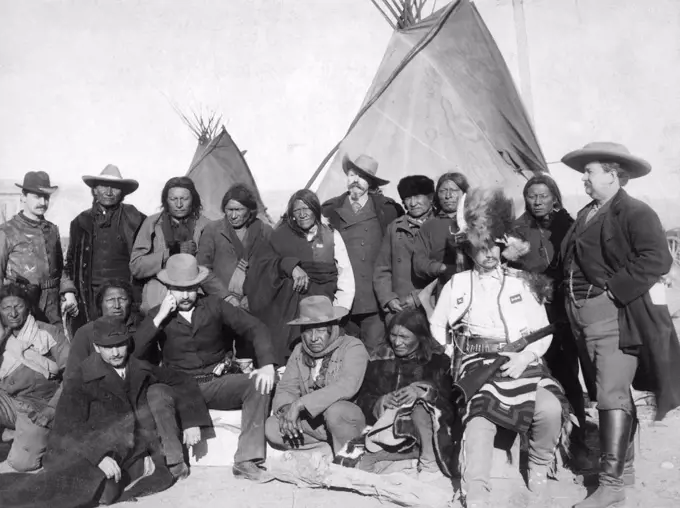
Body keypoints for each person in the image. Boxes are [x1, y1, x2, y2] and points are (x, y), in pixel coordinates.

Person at [430, 188, 570, 507]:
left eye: (493, 246)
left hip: (522, 360)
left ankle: (537, 466)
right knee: (479, 421)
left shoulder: (523, 282)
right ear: (470, 249)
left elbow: (541, 331)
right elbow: (438, 326)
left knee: (549, 409)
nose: (488, 254)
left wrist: (526, 357)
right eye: (481, 248)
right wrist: (453, 354)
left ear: (501, 245)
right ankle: (475, 490)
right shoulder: (458, 285)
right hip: (477, 363)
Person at [560, 142, 680, 508]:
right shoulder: (586, 213)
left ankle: (611, 486)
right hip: (582, 319)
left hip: (615, 317)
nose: (584, 177)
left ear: (613, 176)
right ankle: (623, 470)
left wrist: (613, 292)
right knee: (610, 393)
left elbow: (657, 258)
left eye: (591, 171)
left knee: (611, 393)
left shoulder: (635, 212)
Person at [0, 316, 211, 508]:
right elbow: (67, 427)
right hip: (84, 445)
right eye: (108, 347)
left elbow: (184, 380)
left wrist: (192, 421)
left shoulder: (140, 368)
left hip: (127, 445)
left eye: (120, 345)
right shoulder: (81, 377)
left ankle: (137, 466)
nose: (116, 353)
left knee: (108, 491)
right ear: (96, 347)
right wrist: (98, 456)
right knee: (65, 493)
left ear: (128, 344)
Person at [134, 253, 277, 482]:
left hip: (216, 381)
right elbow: (136, 352)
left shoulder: (214, 305)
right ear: (169, 287)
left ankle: (246, 460)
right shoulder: (157, 314)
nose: (186, 295)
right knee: (156, 392)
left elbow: (255, 327)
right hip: (179, 387)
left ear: (199, 285)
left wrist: (267, 365)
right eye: (179, 289)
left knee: (258, 384)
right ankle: (175, 462)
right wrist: (160, 317)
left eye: (191, 288)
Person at [511, 174, 589, 468]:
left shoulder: (568, 226)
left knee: (568, 373)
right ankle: (536, 445)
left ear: (555, 197)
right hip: (531, 312)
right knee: (533, 373)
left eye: (544, 195)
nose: (538, 201)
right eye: (532, 196)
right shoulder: (517, 230)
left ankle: (577, 442)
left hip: (562, 312)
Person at [247, 189, 354, 365]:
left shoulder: (331, 235)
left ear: (316, 210)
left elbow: (345, 275)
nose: (303, 214)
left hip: (323, 311)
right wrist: (289, 266)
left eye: (307, 208)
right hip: (287, 314)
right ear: (292, 214)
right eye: (297, 210)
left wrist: (339, 311)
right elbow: (262, 265)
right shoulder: (280, 236)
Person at [353, 309, 455, 481]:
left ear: (420, 336)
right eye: (393, 335)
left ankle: (428, 462)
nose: (397, 342)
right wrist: (380, 401)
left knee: (421, 407)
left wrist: (422, 391)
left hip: (426, 434)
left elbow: (450, 402)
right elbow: (362, 397)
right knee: (354, 466)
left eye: (405, 337)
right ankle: (404, 455)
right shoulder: (379, 359)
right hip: (387, 432)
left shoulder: (438, 361)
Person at [265, 296, 369, 456]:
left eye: (320, 330)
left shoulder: (352, 346)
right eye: (308, 330)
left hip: (345, 420)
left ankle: (348, 457)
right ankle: (326, 450)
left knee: (336, 411)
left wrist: (300, 405)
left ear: (331, 328)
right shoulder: (299, 350)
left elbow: (346, 385)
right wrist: (287, 410)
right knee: (272, 427)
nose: (313, 338)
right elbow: (286, 387)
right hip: (315, 424)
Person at [321, 154, 403, 355]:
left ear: (371, 183)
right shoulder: (330, 209)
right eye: (352, 175)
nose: (356, 180)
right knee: (342, 354)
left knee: (373, 354)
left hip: (373, 299)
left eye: (362, 176)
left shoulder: (387, 210)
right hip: (341, 297)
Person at [63, 165, 146, 330]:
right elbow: (70, 263)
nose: (109, 191)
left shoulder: (136, 220)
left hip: (125, 297)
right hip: (90, 297)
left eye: (115, 187)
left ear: (122, 192)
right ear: (94, 190)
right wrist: (69, 291)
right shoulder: (80, 222)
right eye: (103, 186)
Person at [0, 283, 69, 473]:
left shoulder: (47, 332)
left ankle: (22, 434)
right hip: (8, 402)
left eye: (18, 307)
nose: (13, 313)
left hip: (38, 406)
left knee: (23, 464)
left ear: (28, 308)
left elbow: (72, 372)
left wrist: (51, 409)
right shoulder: (2, 336)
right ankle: (13, 432)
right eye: (6, 308)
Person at [129, 176, 223, 313]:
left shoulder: (207, 226)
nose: (179, 204)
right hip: (159, 292)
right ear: (166, 200)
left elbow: (217, 268)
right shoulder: (152, 224)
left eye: (184, 199)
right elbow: (136, 266)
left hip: (197, 292)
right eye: (173, 199)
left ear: (193, 200)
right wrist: (171, 253)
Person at [0, 171, 77, 324]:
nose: (42, 202)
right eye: (36, 196)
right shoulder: (7, 231)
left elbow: (60, 270)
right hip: (22, 306)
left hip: (52, 308)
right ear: (23, 197)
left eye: (46, 197)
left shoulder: (52, 230)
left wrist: (68, 292)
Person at [197, 184, 272, 309]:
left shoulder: (264, 231)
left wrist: (254, 296)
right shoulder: (213, 230)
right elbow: (202, 268)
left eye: (238, 210)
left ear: (249, 210)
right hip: (221, 302)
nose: (233, 215)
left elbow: (273, 268)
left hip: (257, 301)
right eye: (229, 210)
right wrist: (225, 296)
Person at [373, 175, 435, 320]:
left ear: (430, 197)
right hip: (399, 308)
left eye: (418, 196)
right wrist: (388, 298)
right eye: (407, 198)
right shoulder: (395, 228)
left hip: (431, 306)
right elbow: (382, 268)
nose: (413, 203)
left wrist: (419, 297)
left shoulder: (441, 226)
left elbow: (446, 274)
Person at [412, 172, 470, 300]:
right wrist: (442, 268)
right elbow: (419, 263)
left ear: (464, 194)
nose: (448, 196)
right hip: (441, 290)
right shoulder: (429, 226)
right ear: (437, 195)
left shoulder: (474, 223)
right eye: (443, 191)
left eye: (454, 190)